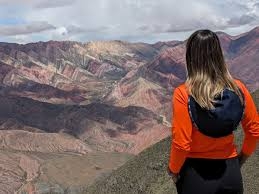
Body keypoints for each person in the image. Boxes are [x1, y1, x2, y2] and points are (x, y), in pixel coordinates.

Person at [167, 29, 259, 194]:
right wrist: (241, 158)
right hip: (230, 173)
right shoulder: (239, 89)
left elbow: (181, 144)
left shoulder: (183, 93)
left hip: (195, 177)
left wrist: (173, 170)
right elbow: (254, 131)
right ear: (219, 55)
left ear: (191, 57)